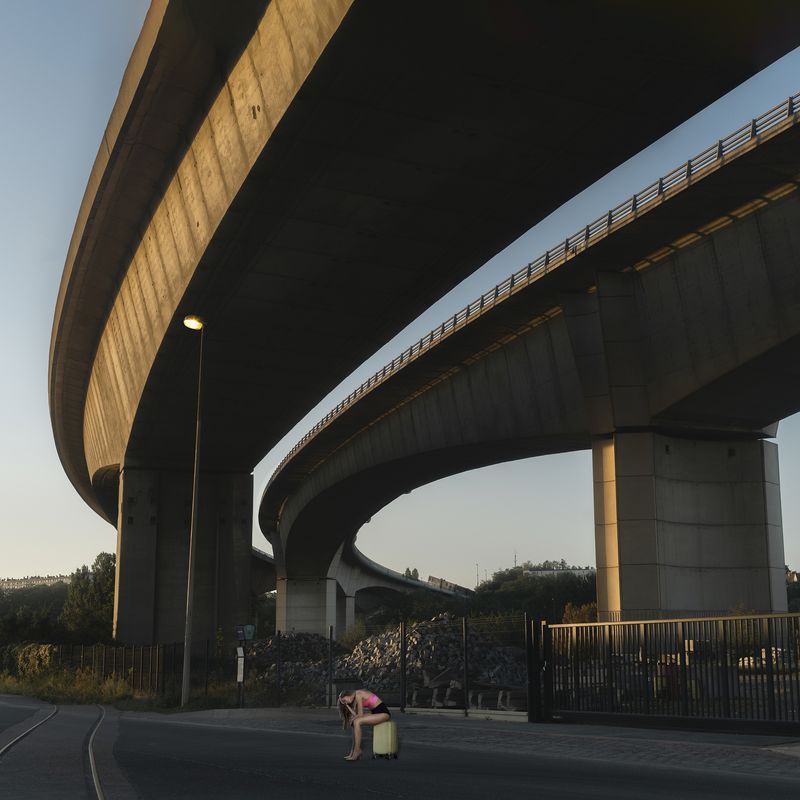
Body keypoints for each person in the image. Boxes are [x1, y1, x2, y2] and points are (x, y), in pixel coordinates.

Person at [337, 689, 391, 760]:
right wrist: (347, 706)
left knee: (356, 721)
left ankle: (357, 751)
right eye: (343, 703)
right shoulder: (355, 698)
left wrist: (354, 718)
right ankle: (353, 752)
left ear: (347, 695)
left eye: (344, 701)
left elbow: (360, 715)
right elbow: (355, 715)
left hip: (384, 713)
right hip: (376, 713)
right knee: (354, 722)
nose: (345, 703)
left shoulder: (358, 693)